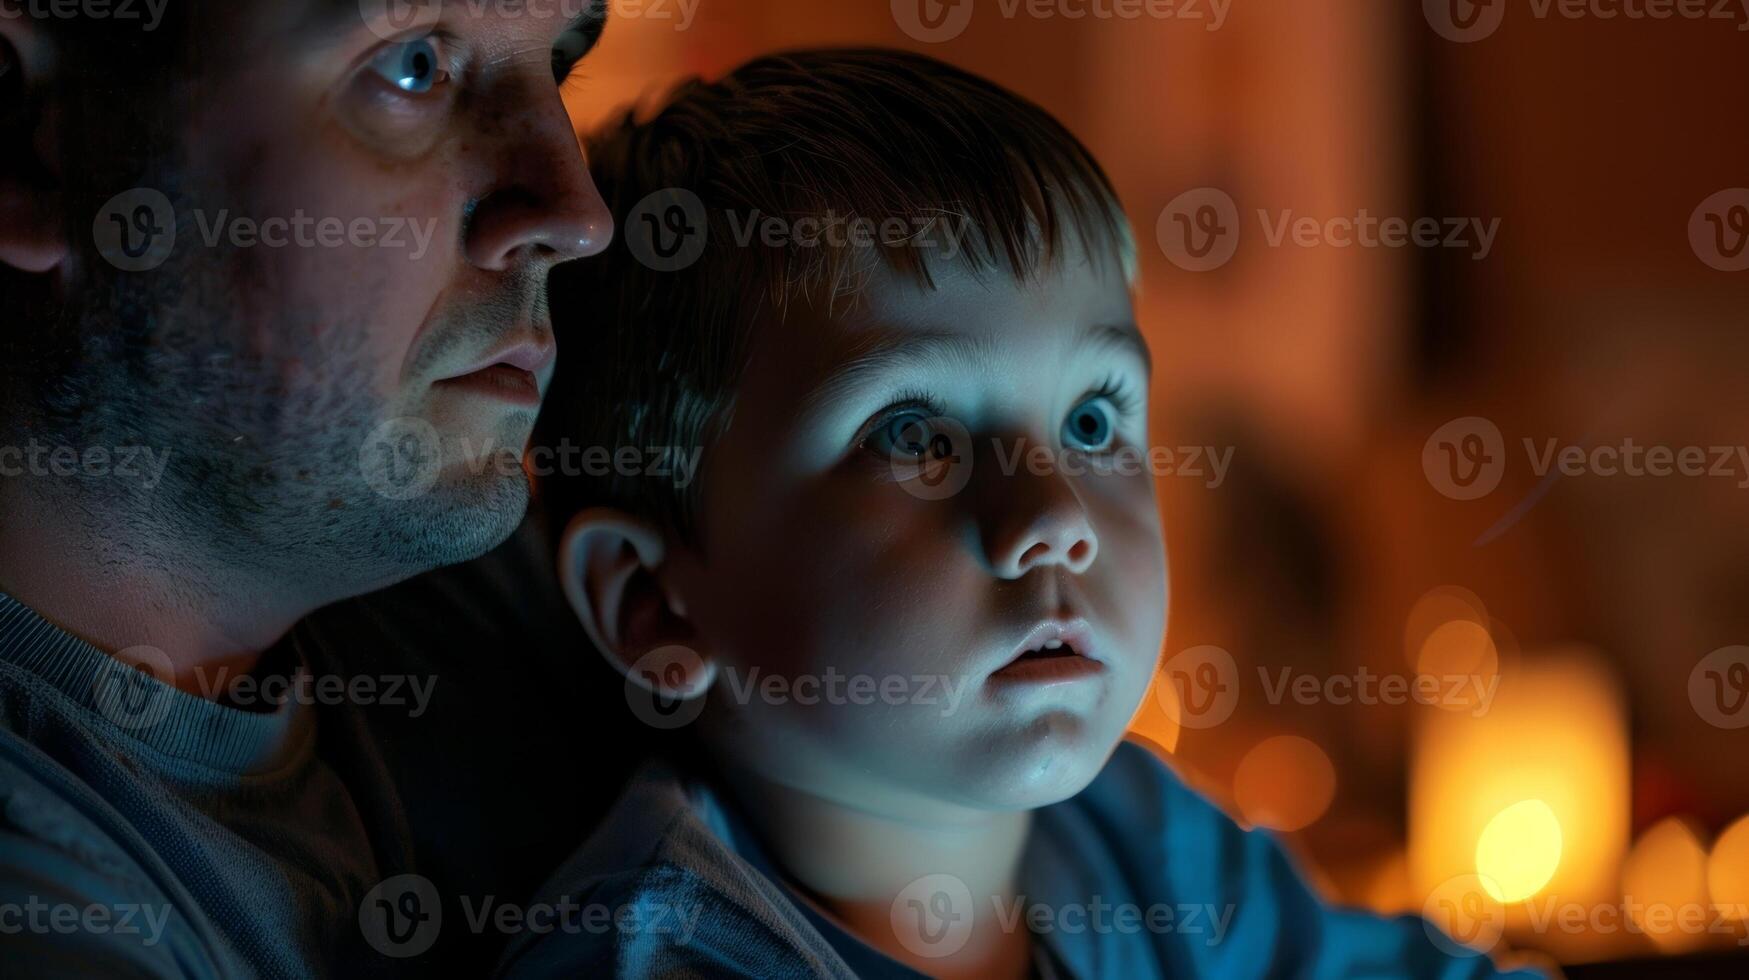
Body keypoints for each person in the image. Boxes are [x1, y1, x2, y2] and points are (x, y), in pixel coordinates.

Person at [508, 48, 1547, 979]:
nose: (1055, 514)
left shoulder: (1138, 840)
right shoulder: (655, 956)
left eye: (1094, 419)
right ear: (652, 602)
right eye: (916, 436)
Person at [0, 1, 627, 974]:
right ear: (33, 143)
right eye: (415, 65)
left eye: (561, 64)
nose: (576, 213)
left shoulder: (484, 582)